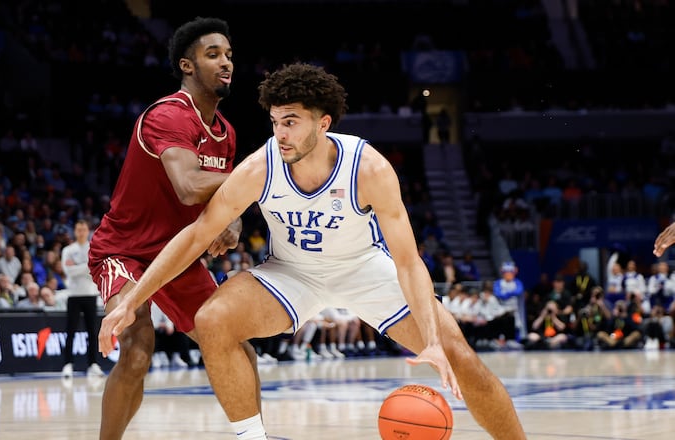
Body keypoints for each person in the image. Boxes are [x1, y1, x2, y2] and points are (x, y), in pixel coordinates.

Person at [99, 63, 525, 440]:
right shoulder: (261, 166)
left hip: (362, 269)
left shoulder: (368, 167)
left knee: (461, 357)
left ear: (323, 124)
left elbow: (409, 262)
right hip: (292, 273)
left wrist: (431, 339)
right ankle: (251, 437)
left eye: (292, 122)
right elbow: (194, 237)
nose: (280, 133)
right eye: (275, 122)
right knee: (212, 320)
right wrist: (131, 302)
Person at [86, 17, 244, 440]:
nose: (226, 62)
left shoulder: (225, 133)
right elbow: (191, 187)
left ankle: (255, 436)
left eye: (229, 54)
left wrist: (233, 220)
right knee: (137, 351)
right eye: (213, 54)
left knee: (233, 346)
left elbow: (220, 195)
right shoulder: (168, 115)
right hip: (124, 251)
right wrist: (263, 173)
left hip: (177, 255)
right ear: (186, 65)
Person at [61, 219, 103, 378]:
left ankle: (93, 364)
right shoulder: (68, 250)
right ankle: (67, 364)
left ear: (88, 231)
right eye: (78, 229)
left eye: (83, 229)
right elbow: (68, 271)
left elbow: (95, 268)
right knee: (70, 331)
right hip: (73, 295)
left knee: (92, 332)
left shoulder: (93, 248)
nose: (81, 232)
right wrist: (86, 266)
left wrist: (79, 267)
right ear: (74, 231)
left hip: (90, 294)